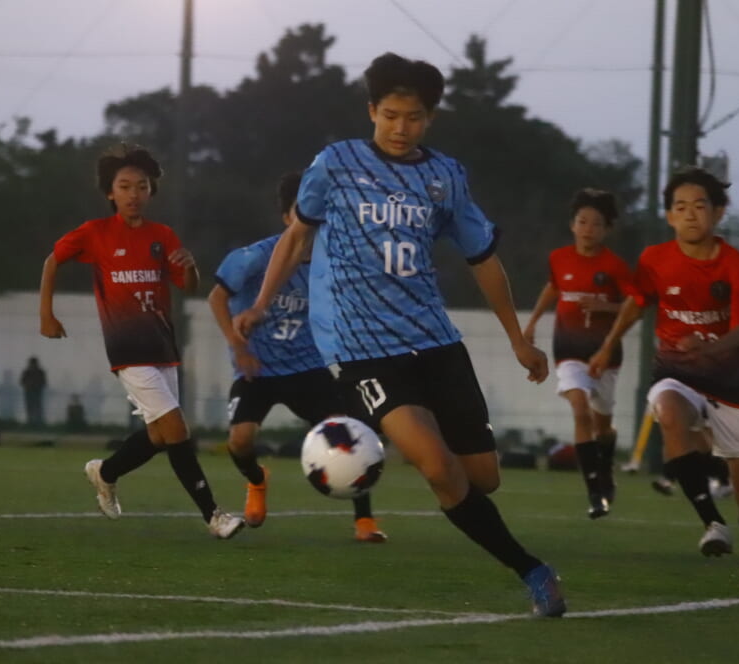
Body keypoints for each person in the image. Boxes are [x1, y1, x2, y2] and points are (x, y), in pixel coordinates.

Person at [232, 53, 565, 616]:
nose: (400, 128)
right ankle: (533, 571)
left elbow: (483, 259)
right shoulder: (335, 164)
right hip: (362, 350)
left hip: (434, 340)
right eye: (389, 115)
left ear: (430, 118)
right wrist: (263, 303)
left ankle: (451, 482)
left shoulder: (445, 177)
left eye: (413, 117)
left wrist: (518, 338)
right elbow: (296, 237)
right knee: (438, 468)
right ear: (371, 111)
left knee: (482, 478)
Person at [39, 143, 244, 540]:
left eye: (142, 186)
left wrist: (191, 267)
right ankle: (214, 515)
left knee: (159, 435)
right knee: (177, 429)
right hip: (127, 350)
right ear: (110, 192)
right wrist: (46, 314)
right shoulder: (95, 233)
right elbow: (52, 260)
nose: (134, 194)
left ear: (151, 192)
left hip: (162, 346)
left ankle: (106, 472)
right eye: (125, 186)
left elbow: (186, 286)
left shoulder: (161, 236)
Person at [589, 166, 739, 588]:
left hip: (732, 380)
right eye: (680, 206)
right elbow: (636, 303)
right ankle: (713, 523)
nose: (690, 214)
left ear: (719, 213)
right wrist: (605, 347)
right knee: (669, 411)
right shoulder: (654, 260)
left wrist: (707, 347)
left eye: (699, 206)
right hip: (676, 370)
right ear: (670, 216)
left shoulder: (734, 263)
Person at [209, 171, 388, 543]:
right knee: (240, 441)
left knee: (350, 433)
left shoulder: (332, 263)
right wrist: (238, 346)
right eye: (301, 210)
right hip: (258, 367)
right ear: (286, 216)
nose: (311, 219)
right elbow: (217, 297)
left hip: (309, 369)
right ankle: (257, 480)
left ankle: (365, 521)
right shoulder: (256, 257)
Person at [522, 189, 633, 519]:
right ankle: (595, 492)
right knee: (580, 409)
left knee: (603, 426)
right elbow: (553, 286)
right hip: (568, 349)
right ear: (572, 225)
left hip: (604, 354)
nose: (588, 229)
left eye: (596, 224)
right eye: (582, 222)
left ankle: (606, 467)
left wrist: (605, 306)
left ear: (607, 229)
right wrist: (532, 322)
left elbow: (634, 305)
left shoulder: (614, 266)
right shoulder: (559, 258)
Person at [20, 356, 48, 427]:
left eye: (33, 363)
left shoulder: (40, 372)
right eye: (32, 363)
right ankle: (30, 422)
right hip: (29, 393)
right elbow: (22, 382)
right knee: (30, 408)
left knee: (37, 408)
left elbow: (44, 382)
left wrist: (36, 384)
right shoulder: (27, 372)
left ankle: (39, 423)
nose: (33, 365)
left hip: (37, 393)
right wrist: (29, 384)